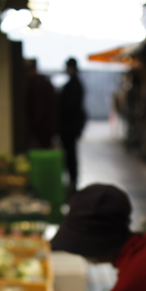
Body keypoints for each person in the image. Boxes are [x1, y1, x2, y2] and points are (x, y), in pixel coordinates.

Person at [58, 57, 86, 191]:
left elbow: (71, 107)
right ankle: (72, 180)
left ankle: (73, 181)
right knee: (70, 154)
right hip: (71, 127)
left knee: (70, 155)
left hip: (70, 127)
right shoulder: (74, 84)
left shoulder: (73, 85)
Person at [25, 59, 59, 148]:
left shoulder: (37, 84)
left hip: (42, 129)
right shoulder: (43, 82)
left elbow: (39, 109)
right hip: (46, 128)